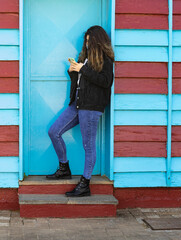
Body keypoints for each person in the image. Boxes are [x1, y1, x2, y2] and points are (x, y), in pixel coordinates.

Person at [46, 25, 115, 197]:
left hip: (91, 108)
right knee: (54, 131)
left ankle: (85, 184)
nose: (87, 44)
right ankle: (64, 168)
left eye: (90, 41)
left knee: (88, 145)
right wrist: (73, 71)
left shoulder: (105, 60)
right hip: (77, 104)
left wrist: (82, 69)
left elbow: (105, 82)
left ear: (98, 42)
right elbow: (81, 82)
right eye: (86, 41)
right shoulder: (85, 59)